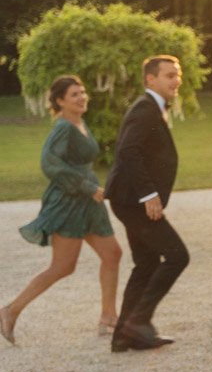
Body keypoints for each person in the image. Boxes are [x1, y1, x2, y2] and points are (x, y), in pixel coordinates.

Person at [3, 76, 123, 344]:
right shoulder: (63, 129)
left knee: (112, 254)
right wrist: (84, 185)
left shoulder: (79, 123)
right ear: (60, 101)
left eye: (82, 92)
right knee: (62, 267)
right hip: (70, 202)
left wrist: (92, 186)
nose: (82, 97)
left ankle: (109, 316)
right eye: (74, 94)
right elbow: (50, 164)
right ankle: (10, 311)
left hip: (89, 201)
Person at [104, 55, 188, 352]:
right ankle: (138, 323)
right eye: (169, 75)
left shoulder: (152, 107)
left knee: (147, 263)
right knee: (178, 256)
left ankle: (123, 336)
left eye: (177, 74)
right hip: (133, 200)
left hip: (129, 200)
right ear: (151, 79)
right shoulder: (145, 108)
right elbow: (128, 151)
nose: (176, 80)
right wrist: (149, 194)